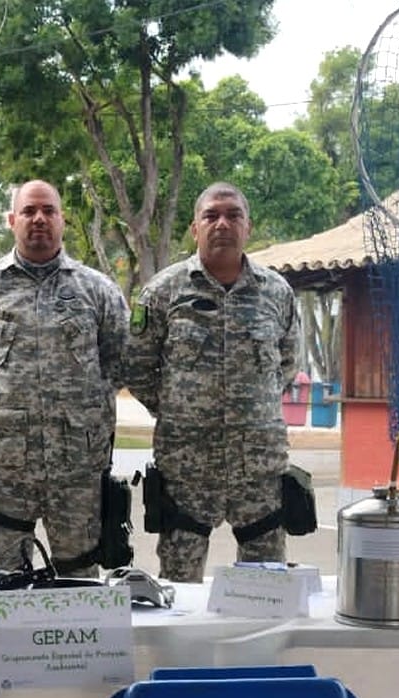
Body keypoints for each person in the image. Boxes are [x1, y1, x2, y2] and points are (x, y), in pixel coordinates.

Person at [0, 179, 129, 574]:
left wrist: (81, 405)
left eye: (48, 211)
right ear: (12, 220)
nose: (39, 218)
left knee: (79, 578)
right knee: (5, 579)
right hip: (2, 467)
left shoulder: (97, 290)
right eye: (28, 211)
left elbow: (121, 362)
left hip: (77, 468)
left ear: (62, 220)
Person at [125, 181, 300, 583]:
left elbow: (288, 364)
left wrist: (252, 408)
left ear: (247, 227)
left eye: (233, 215)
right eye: (211, 216)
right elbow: (136, 366)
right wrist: (177, 410)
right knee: (179, 580)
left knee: (266, 583)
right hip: (187, 465)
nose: (223, 224)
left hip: (258, 466)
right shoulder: (162, 292)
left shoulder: (276, 292)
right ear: (195, 228)